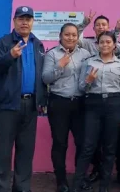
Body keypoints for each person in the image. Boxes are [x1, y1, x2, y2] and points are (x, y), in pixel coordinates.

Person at [0, 6, 48, 192]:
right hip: (8, 104)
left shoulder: (37, 44)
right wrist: (10, 56)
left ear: (32, 22)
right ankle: (3, 187)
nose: (25, 22)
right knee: (5, 149)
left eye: (28, 19)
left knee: (26, 149)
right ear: (14, 21)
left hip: (30, 104)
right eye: (21, 18)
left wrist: (41, 100)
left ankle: (22, 186)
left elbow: (40, 75)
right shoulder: (4, 42)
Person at [77, 12, 120, 185]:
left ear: (115, 45)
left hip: (114, 104)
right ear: (97, 44)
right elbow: (81, 87)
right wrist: (88, 81)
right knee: (88, 146)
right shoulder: (88, 62)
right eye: (102, 42)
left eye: (108, 42)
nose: (105, 44)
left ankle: (105, 185)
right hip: (93, 104)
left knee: (111, 147)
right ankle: (78, 183)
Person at [42, 23, 92, 192]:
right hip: (59, 103)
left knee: (82, 143)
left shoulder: (85, 54)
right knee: (60, 143)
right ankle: (61, 181)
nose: (71, 38)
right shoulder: (52, 54)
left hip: (80, 104)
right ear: (61, 36)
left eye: (74, 35)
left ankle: (80, 178)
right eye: (67, 35)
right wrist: (59, 66)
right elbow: (46, 79)